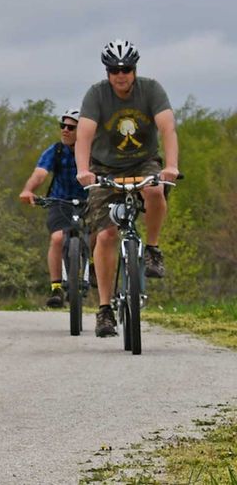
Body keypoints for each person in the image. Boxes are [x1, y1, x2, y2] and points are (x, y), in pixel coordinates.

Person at [74, 40, 179, 338]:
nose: (121, 75)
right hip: (104, 168)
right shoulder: (96, 95)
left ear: (135, 69)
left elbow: (168, 128)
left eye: (127, 69)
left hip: (143, 163)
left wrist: (171, 166)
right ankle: (105, 310)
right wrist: (83, 170)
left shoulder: (151, 90)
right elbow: (83, 136)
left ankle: (153, 251)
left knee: (156, 190)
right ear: (107, 72)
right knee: (106, 234)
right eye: (114, 70)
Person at [18, 109, 89, 308]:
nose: (65, 130)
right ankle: (56, 287)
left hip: (90, 202)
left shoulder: (94, 151)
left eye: (71, 127)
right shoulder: (55, 151)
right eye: (62, 126)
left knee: (98, 237)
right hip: (60, 202)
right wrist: (28, 190)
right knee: (58, 238)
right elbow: (40, 173)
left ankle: (92, 272)